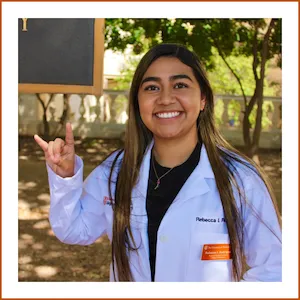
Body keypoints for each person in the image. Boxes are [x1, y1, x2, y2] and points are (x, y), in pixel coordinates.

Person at [34, 43, 282, 282]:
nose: (165, 99)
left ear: (203, 99)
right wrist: (65, 177)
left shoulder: (240, 179)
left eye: (180, 85)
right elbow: (75, 230)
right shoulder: (116, 170)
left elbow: (275, 268)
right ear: (138, 101)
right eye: (152, 88)